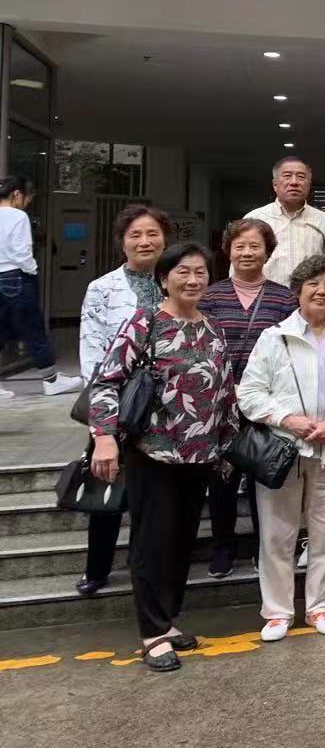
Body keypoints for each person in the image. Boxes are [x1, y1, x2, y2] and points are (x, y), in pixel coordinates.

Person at [87, 242, 235, 672]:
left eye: (201, 272)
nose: (193, 280)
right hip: (154, 452)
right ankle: (152, 633)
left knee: (181, 542)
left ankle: (167, 621)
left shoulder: (213, 326)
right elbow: (106, 381)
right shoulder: (145, 321)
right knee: (152, 543)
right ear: (164, 278)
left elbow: (224, 391)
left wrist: (227, 446)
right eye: (183, 272)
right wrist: (104, 438)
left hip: (201, 454)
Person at [237, 255, 325, 642]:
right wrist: (287, 419)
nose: (321, 291)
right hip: (284, 451)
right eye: (313, 283)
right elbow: (249, 394)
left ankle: (321, 606)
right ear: (298, 290)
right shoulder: (274, 337)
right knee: (278, 535)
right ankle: (277, 612)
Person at [73, 204, 172, 597]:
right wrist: (103, 419)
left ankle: (146, 564)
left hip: (165, 406)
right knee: (108, 484)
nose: (145, 241)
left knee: (156, 491)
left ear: (165, 239)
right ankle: (97, 568)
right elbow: (91, 354)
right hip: (116, 402)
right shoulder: (102, 288)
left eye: (152, 234)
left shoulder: (176, 281)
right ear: (122, 242)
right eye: (136, 235)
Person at [198, 219, 299, 580]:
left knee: (263, 477)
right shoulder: (210, 297)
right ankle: (223, 547)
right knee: (221, 481)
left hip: (266, 406)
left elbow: (290, 353)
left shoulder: (284, 299)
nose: (247, 253)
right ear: (228, 250)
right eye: (239, 246)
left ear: (267, 252)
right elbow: (202, 350)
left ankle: (263, 548)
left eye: (255, 246)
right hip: (221, 406)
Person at [0, 176, 84, 397]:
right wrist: (32, 270)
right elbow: (22, 251)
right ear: (17, 194)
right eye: (28, 197)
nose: (27, 202)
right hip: (16, 278)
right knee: (33, 327)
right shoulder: (18, 216)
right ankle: (51, 380)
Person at [244, 157, 325, 285]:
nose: (294, 182)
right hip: (266, 295)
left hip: (310, 295)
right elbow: (239, 266)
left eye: (301, 177)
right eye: (287, 176)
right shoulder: (254, 219)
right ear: (275, 184)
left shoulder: (323, 220)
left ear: (308, 185)